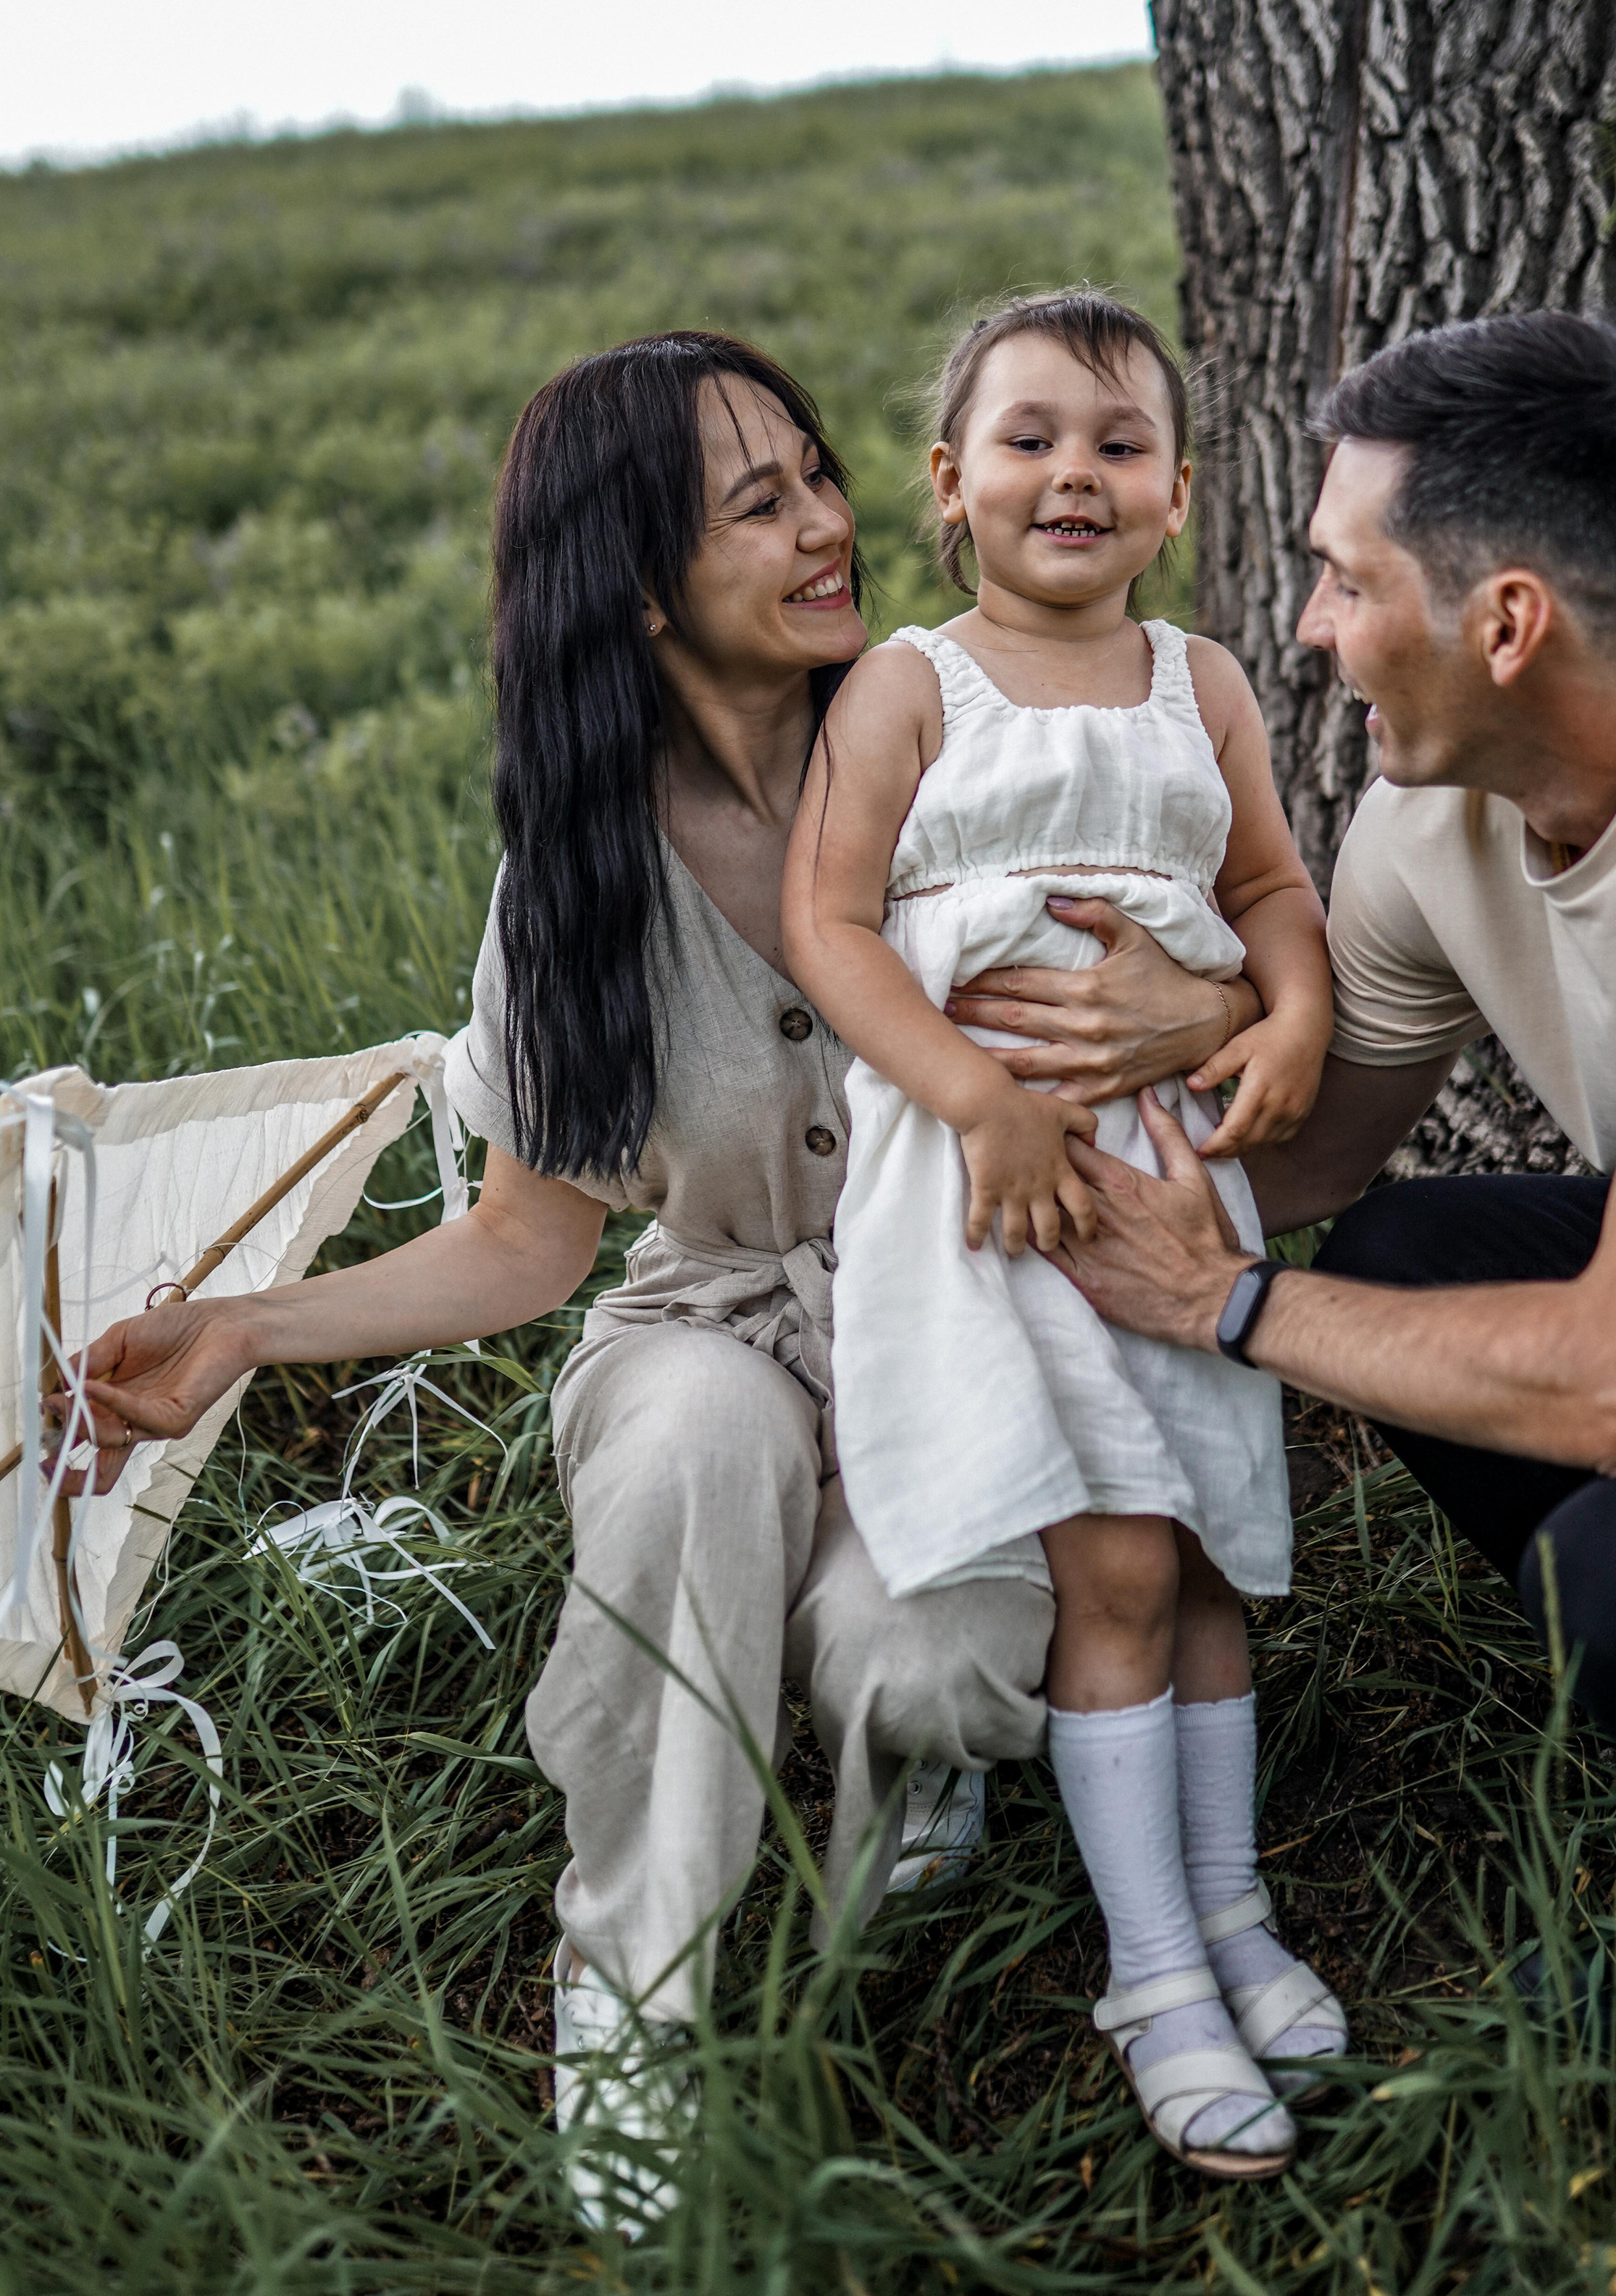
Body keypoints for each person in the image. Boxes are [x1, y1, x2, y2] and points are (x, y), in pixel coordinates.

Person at [67, 328, 1244, 2229]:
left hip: (968, 1332)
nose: (828, 527)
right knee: (699, 1444)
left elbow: (1209, 944)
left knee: (926, 1666)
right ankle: (633, 2001)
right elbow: (531, 1244)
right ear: (631, 581)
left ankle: (886, 1748)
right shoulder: (573, 889)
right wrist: (247, 1330)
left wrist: (1207, 1001)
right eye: (757, 501)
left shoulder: (963, 748)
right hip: (712, 1326)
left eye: (819, 474)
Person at [1042, 310, 1616, 2043]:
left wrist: (1224, 1307)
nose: (1303, 631)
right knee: (1404, 1251)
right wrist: (1008, 1171)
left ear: (1502, 622)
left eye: (1339, 579)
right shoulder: (1431, 814)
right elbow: (1305, 1151)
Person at [784, 290, 1344, 2179]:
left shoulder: (1204, 681)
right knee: (1108, 1568)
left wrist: (1295, 1018)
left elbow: (1266, 881)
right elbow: (837, 927)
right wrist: (980, 1098)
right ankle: (1155, 1974)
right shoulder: (912, 687)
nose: (1073, 475)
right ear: (949, 486)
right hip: (1009, 1185)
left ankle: (1233, 1906)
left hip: (1182, 1163)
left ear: (1179, 491)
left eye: (1118, 444)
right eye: (1028, 439)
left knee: (1202, 1554)